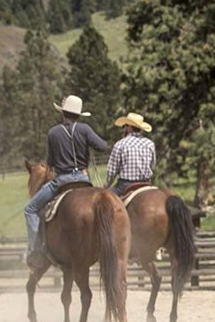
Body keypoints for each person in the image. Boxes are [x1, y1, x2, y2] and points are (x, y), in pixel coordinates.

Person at [23, 95, 108, 268]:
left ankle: (36, 250)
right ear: (78, 114)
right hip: (84, 179)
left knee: (30, 209)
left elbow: (51, 162)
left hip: (62, 180)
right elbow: (103, 146)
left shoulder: (54, 132)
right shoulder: (85, 129)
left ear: (63, 114)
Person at [106, 112, 156, 196]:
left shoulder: (120, 144)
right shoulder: (150, 144)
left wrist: (106, 185)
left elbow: (112, 171)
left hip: (125, 185)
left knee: (105, 200)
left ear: (129, 128)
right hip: (146, 183)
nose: (123, 129)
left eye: (124, 126)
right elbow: (152, 166)